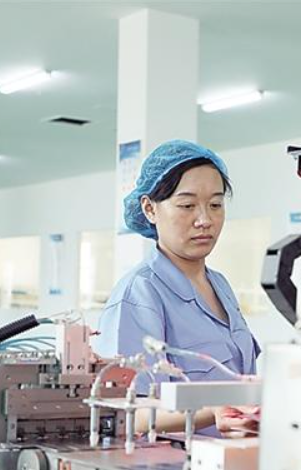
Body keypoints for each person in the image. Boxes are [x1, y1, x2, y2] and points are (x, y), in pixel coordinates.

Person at [93, 140, 259, 435]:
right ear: (150, 209)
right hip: (177, 461)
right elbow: (125, 413)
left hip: (237, 454)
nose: (205, 220)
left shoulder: (220, 285)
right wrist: (212, 412)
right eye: (187, 206)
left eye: (215, 205)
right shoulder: (139, 293)